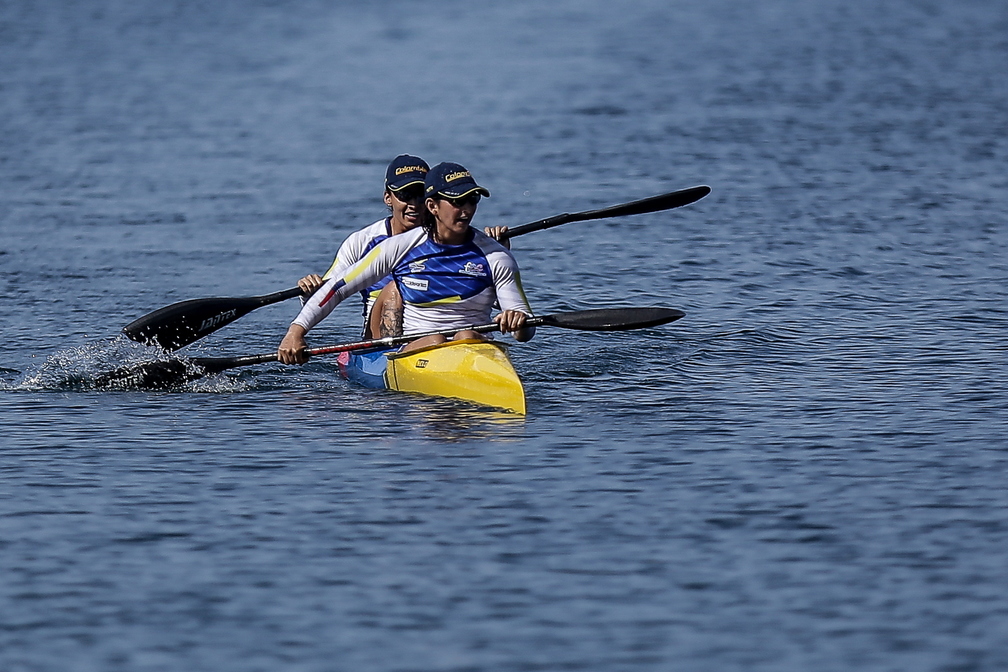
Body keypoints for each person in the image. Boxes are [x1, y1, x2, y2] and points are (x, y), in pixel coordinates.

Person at [278, 162, 533, 364]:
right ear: (432, 206)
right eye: (457, 202)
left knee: (466, 336)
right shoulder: (397, 248)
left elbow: (527, 331)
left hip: (475, 348)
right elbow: (337, 288)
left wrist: (517, 323)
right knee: (433, 338)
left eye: (472, 200)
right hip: (416, 349)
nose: (466, 210)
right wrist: (296, 333)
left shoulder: (497, 256)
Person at [296, 154, 430, 338]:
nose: (414, 204)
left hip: (431, 333)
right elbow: (328, 294)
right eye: (405, 195)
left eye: (420, 195)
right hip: (379, 341)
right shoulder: (362, 241)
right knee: (395, 289)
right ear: (388, 198)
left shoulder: (451, 239)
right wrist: (309, 293)